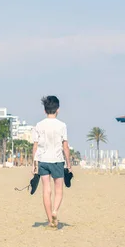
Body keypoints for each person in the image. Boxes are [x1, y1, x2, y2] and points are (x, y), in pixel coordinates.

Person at [31, 95, 71, 228]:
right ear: (58, 109)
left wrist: (34, 164)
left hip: (43, 160)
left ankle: (50, 220)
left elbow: (35, 146)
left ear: (45, 110)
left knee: (46, 190)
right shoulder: (62, 125)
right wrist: (69, 164)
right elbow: (65, 146)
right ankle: (55, 211)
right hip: (57, 160)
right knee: (58, 189)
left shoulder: (39, 125)